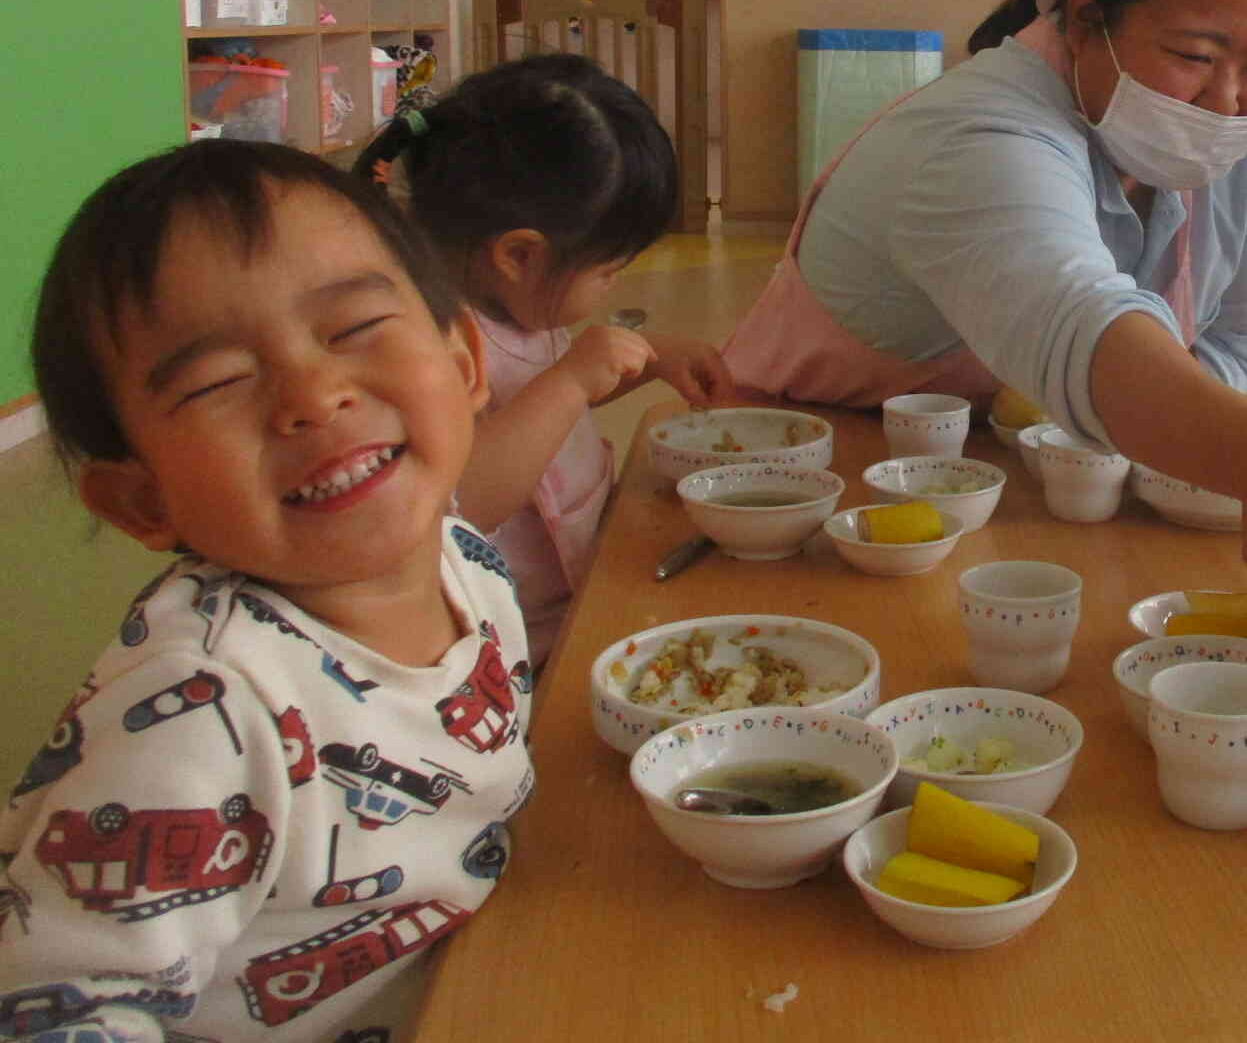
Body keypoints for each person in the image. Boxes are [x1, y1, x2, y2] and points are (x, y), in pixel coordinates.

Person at [720, 0, 1247, 684]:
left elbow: (1245, 343)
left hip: (1028, 483)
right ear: (1081, 16)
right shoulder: (977, 136)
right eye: (1193, 56)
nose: (1226, 102)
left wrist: (1190, 440)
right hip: (804, 488)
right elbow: (1078, 320)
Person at [1, 141, 531, 1039]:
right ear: (140, 499)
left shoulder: (464, 558)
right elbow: (56, 1006)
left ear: (466, 363)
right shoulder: (201, 715)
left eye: (355, 328)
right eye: (217, 381)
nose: (312, 396)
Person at [356, 53, 733, 666]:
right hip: (512, 647)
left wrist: (651, 358)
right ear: (520, 256)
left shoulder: (512, 305)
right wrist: (570, 380)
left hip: (579, 594)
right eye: (609, 271)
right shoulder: (424, 342)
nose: (613, 288)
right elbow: (458, 503)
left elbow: (535, 396)